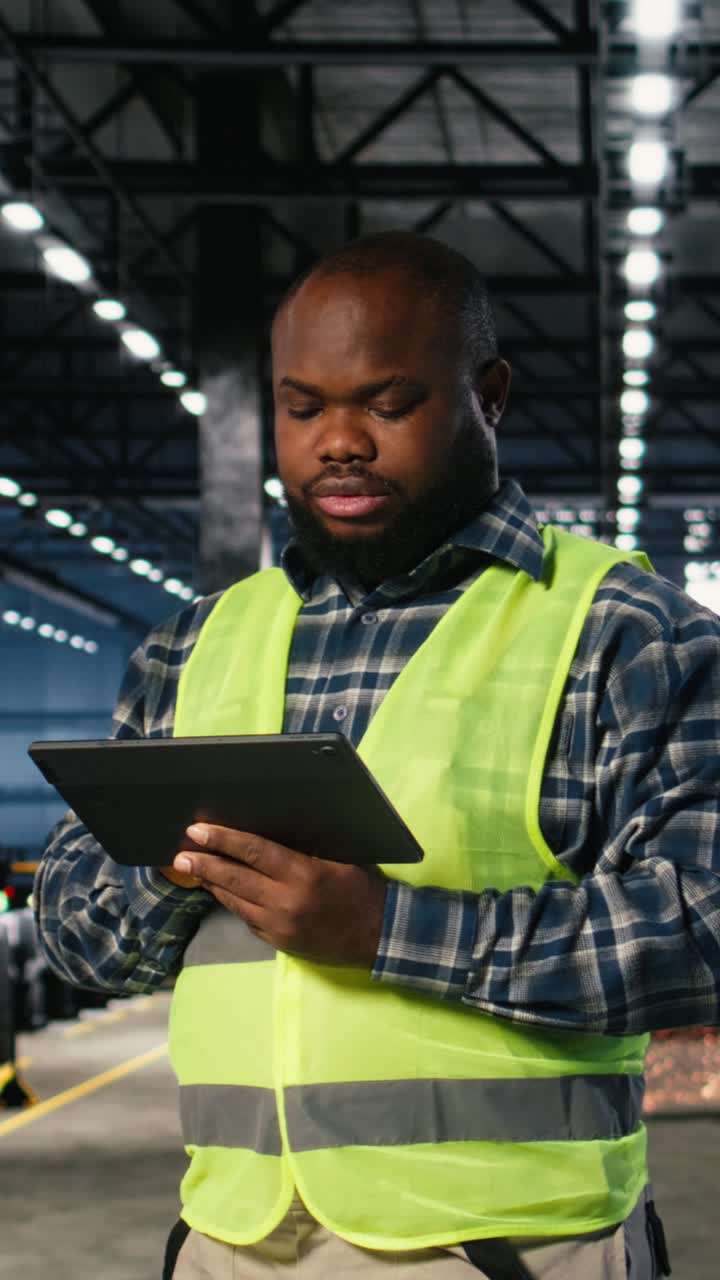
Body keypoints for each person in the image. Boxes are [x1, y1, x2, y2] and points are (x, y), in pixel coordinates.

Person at [35, 228, 720, 1280]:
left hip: (510, 1244)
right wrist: (183, 861)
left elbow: (700, 927)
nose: (339, 440)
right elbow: (83, 943)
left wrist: (390, 927)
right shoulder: (195, 642)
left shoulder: (620, 630)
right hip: (233, 1239)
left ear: (488, 394)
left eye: (388, 404)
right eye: (302, 406)